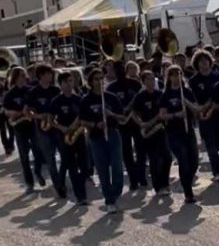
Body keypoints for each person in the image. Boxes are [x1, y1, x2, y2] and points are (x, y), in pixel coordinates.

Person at [79, 69, 126, 214]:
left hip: (113, 134)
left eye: (101, 78)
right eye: (96, 79)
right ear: (91, 82)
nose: (99, 81)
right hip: (96, 137)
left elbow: (122, 117)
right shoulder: (86, 100)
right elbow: (82, 121)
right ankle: (109, 200)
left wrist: (111, 114)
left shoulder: (111, 97)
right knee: (103, 169)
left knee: (118, 167)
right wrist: (95, 125)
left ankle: (115, 192)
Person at [159, 66, 201, 204]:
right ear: (169, 77)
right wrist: (176, 115)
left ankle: (186, 182)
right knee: (183, 159)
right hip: (173, 132)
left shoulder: (187, 92)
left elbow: (197, 110)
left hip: (188, 130)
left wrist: (187, 103)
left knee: (194, 161)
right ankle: (188, 192)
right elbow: (162, 115)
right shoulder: (166, 95)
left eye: (178, 74)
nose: (176, 77)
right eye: (173, 75)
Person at [49, 71, 89, 205]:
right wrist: (62, 128)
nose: (69, 84)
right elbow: (51, 121)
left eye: (71, 81)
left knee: (85, 167)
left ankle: (69, 186)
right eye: (66, 82)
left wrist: (78, 125)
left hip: (79, 134)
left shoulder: (79, 99)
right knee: (72, 167)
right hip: (64, 136)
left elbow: (84, 116)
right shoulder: (56, 101)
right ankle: (81, 196)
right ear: (60, 84)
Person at [107, 60, 147, 191]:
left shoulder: (135, 84)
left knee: (141, 150)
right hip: (121, 123)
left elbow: (142, 99)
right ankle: (133, 179)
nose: (119, 72)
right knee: (126, 152)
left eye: (121, 69)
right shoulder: (111, 88)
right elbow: (109, 106)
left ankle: (141, 176)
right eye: (116, 69)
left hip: (135, 121)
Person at [26, 64, 65, 198]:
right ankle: (58, 186)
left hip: (56, 127)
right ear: (41, 75)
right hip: (42, 129)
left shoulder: (55, 90)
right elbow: (27, 111)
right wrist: (38, 116)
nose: (51, 76)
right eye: (48, 73)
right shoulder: (33, 92)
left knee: (64, 156)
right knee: (50, 160)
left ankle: (61, 180)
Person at [3, 67, 43, 194]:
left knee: (38, 151)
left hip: (32, 125)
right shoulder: (10, 94)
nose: (23, 77)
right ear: (15, 77)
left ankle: (37, 172)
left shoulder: (30, 90)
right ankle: (29, 183)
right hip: (19, 127)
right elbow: (6, 111)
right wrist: (15, 113)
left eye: (24, 75)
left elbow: (37, 106)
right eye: (20, 75)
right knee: (24, 156)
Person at [132, 70, 171, 197]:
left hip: (160, 129)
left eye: (153, 78)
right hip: (148, 132)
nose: (151, 81)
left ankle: (165, 183)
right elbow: (134, 114)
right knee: (154, 160)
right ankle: (158, 186)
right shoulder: (140, 96)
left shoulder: (160, 94)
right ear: (143, 82)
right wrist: (141, 124)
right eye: (148, 79)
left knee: (167, 158)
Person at [189, 50, 219, 181]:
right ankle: (217, 172)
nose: (204, 64)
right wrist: (200, 110)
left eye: (206, 61)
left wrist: (208, 106)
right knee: (210, 145)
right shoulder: (194, 80)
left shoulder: (216, 77)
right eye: (201, 62)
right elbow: (193, 98)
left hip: (218, 114)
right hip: (203, 116)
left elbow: (218, 95)